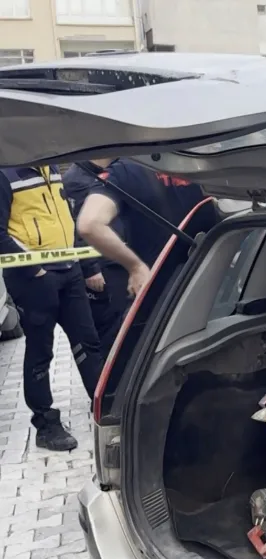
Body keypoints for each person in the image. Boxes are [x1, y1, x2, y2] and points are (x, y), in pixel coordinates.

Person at [0, 165, 103, 451]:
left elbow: (68, 218)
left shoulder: (51, 167)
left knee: (88, 342)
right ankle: (46, 425)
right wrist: (35, 270)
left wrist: (88, 266)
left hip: (70, 271)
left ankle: (104, 404)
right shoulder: (5, 174)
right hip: (32, 278)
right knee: (40, 351)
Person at [77, 158, 219, 297]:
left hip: (162, 288)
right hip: (216, 272)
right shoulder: (205, 160)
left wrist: (135, 266)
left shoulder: (124, 170)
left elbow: (89, 224)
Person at [62, 159, 130, 357]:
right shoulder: (76, 180)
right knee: (110, 327)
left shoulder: (108, 171)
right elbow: (77, 228)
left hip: (118, 259)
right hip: (102, 266)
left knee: (125, 320)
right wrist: (91, 268)